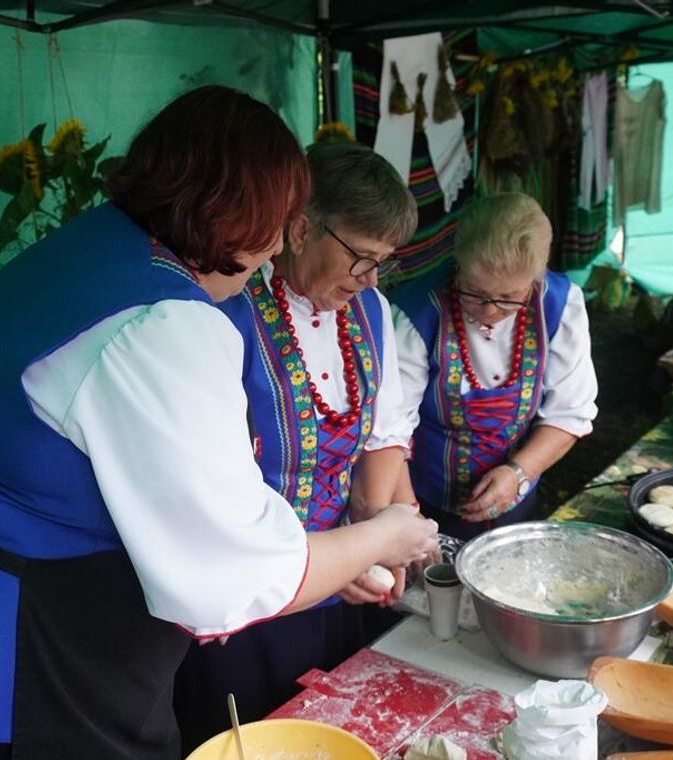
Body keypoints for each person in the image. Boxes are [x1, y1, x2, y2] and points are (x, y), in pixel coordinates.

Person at [0, 86, 438, 760]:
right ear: (234, 216)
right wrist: (379, 538)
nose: (278, 247)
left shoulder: (86, 250)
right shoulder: (161, 324)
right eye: (278, 222)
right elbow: (230, 575)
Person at [173, 140, 419, 750]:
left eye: (382, 262)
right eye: (361, 258)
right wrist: (344, 557)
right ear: (303, 228)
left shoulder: (373, 313)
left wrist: (376, 543)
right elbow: (208, 502)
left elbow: (381, 444)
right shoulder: (222, 316)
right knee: (250, 738)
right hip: (244, 602)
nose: (370, 279)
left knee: (328, 733)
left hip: (339, 585)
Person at [389, 193, 597, 541]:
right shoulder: (415, 314)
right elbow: (389, 435)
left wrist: (519, 472)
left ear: (535, 279)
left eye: (509, 299)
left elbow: (569, 413)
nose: (489, 311)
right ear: (458, 262)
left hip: (518, 500)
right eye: (475, 292)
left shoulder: (559, 306)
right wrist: (410, 521)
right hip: (423, 504)